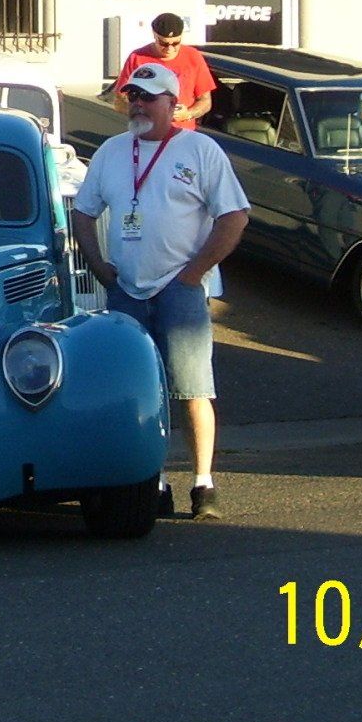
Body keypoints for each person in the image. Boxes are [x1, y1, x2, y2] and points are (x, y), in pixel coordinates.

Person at [72, 63, 249, 521]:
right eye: (133, 96)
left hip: (179, 287)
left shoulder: (200, 150)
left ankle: (204, 484)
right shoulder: (112, 151)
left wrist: (194, 274)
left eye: (148, 97)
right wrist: (100, 268)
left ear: (174, 103)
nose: (138, 104)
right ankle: (154, 479)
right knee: (137, 392)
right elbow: (83, 213)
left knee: (192, 388)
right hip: (126, 290)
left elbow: (234, 216)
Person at [112, 12, 217, 130]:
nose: (169, 48)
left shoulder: (193, 57)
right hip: (147, 132)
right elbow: (119, 101)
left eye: (176, 43)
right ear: (154, 35)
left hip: (181, 133)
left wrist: (188, 114)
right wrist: (145, 113)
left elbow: (205, 101)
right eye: (164, 43)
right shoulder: (137, 57)